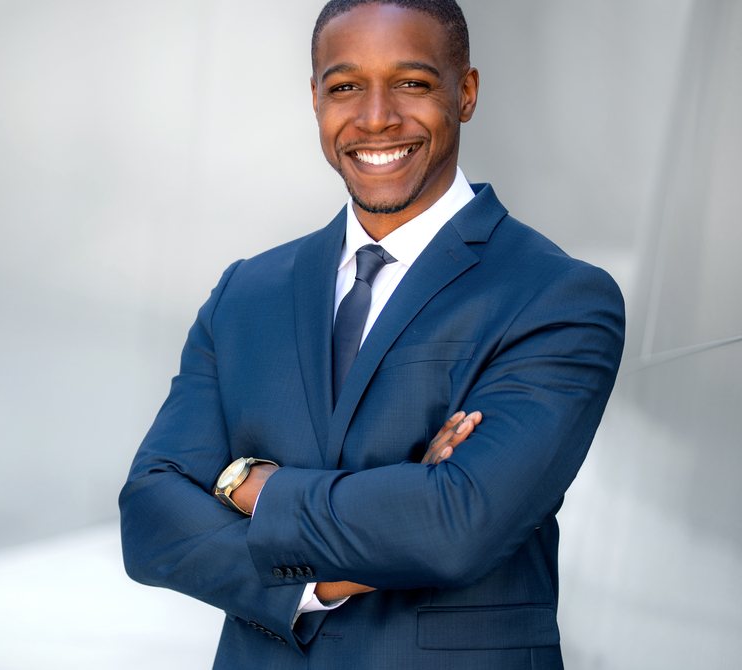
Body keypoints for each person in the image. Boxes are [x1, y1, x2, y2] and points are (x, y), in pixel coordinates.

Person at [119, 1, 625, 667]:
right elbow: (151, 519)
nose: (376, 116)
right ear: (315, 99)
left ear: (465, 92)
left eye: (411, 83)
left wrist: (247, 484)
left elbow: (455, 528)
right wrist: (337, 568)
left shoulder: (557, 295)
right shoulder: (247, 292)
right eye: (345, 86)